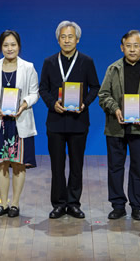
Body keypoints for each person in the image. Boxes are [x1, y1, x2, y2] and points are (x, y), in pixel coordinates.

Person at [98, 29, 140, 221]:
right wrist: (115, 109)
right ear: (122, 48)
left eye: (136, 46)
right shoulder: (113, 68)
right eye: (128, 46)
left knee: (138, 168)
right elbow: (103, 95)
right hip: (116, 127)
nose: (132, 49)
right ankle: (118, 205)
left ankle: (137, 206)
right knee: (115, 168)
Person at [39, 21, 100, 219]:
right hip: (55, 121)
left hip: (78, 121)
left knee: (76, 165)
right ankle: (58, 204)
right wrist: (52, 104)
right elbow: (43, 88)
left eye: (70, 37)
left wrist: (85, 103)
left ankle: (73, 203)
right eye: (63, 37)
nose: (67, 40)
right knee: (57, 166)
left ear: (77, 39)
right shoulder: (49, 62)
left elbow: (95, 87)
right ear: (58, 40)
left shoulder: (86, 61)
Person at [0, 30, 39, 218]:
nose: (9, 48)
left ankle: (15, 204)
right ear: (1, 47)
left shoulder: (28, 67)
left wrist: (24, 104)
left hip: (19, 122)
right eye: (6, 45)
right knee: (1, 164)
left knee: (19, 164)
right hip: (0, 122)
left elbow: (34, 93)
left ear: (19, 46)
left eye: (13, 44)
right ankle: (3, 204)